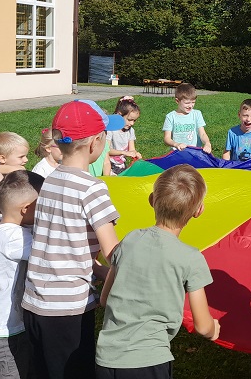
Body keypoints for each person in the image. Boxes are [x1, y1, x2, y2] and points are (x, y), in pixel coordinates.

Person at [22, 100, 122, 379]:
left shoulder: (49, 180)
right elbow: (115, 252)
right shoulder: (92, 188)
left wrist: (100, 272)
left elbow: (65, 243)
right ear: (95, 143)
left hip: (35, 301)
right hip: (68, 309)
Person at [96, 164, 221, 378]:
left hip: (106, 359)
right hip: (149, 360)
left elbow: (105, 299)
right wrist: (213, 329)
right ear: (199, 211)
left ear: (152, 200)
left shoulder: (130, 240)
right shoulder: (191, 258)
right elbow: (202, 325)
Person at [0, 170, 42, 379]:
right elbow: (46, 254)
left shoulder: (1, 228)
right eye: (42, 206)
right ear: (26, 209)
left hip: (4, 326)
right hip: (2, 334)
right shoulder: (14, 238)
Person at [162, 83, 213, 153]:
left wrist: (207, 143)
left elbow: (202, 133)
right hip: (177, 153)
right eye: (187, 103)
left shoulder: (197, 114)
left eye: (193, 102)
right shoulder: (170, 117)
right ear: (177, 101)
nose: (190, 106)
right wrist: (176, 144)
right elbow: (167, 138)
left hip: (195, 153)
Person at [107, 96, 143, 174]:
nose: (132, 123)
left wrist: (136, 154)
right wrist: (124, 152)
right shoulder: (111, 130)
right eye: (130, 120)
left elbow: (132, 149)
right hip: (109, 165)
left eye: (134, 120)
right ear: (119, 115)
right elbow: (106, 150)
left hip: (121, 165)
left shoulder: (131, 131)